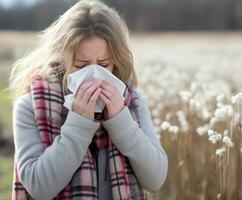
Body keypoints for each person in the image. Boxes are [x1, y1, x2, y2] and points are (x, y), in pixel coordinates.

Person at [8, 0, 168, 199]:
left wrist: (121, 120)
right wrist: (79, 124)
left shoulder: (132, 101)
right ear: (62, 60)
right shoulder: (31, 105)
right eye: (81, 65)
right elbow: (39, 187)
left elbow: (156, 179)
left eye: (104, 64)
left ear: (116, 62)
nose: (94, 74)